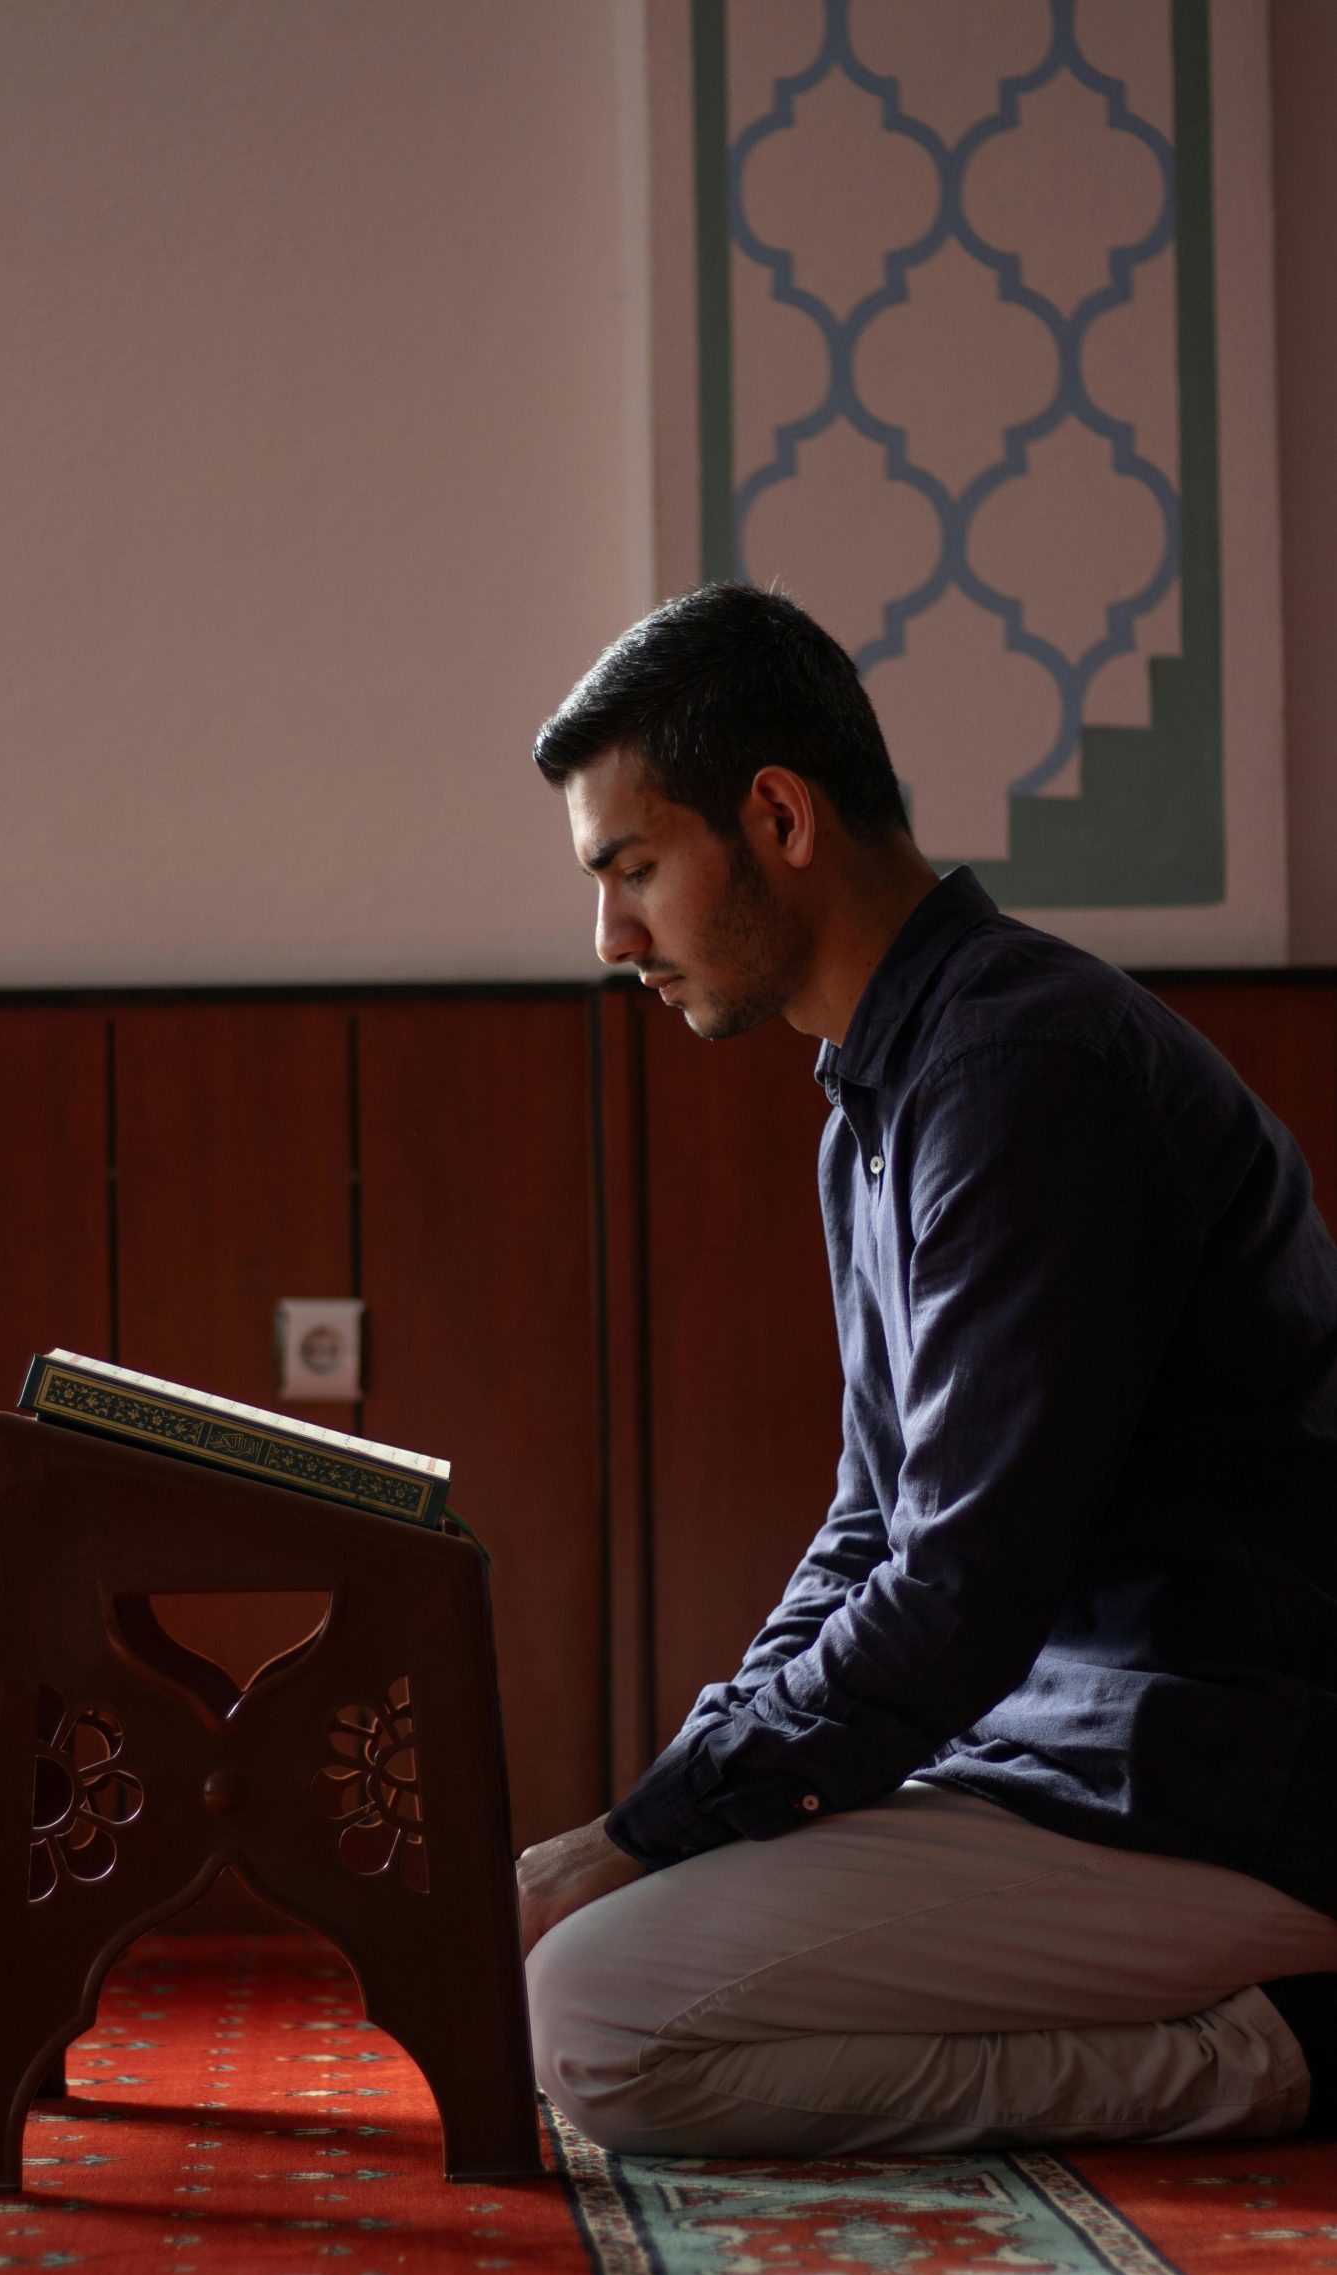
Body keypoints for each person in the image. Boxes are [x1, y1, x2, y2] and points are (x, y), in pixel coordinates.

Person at [519, 581, 1337, 2157]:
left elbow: (956, 1592)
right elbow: (869, 1525)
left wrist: (643, 1832)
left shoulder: (1025, 1070)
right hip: (1059, 1758)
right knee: (607, 1946)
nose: (612, 938)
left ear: (779, 818)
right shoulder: (884, 1098)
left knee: (599, 2021)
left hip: (1226, 1781)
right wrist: (680, 1799)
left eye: (632, 869)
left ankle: (1278, 2055)